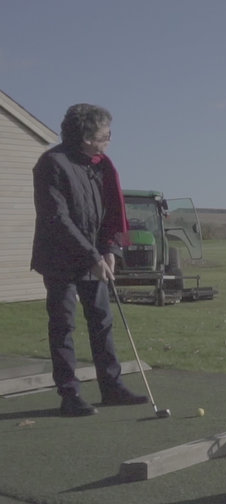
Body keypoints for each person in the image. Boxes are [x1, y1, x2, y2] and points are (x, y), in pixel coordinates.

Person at [31, 103, 148, 416]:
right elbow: (57, 218)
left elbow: (110, 212)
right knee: (63, 325)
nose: (109, 139)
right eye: (104, 135)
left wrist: (110, 249)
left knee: (102, 321)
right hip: (59, 260)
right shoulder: (51, 164)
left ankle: (111, 387)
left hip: (94, 258)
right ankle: (70, 395)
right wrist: (92, 255)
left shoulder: (101, 165)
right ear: (86, 138)